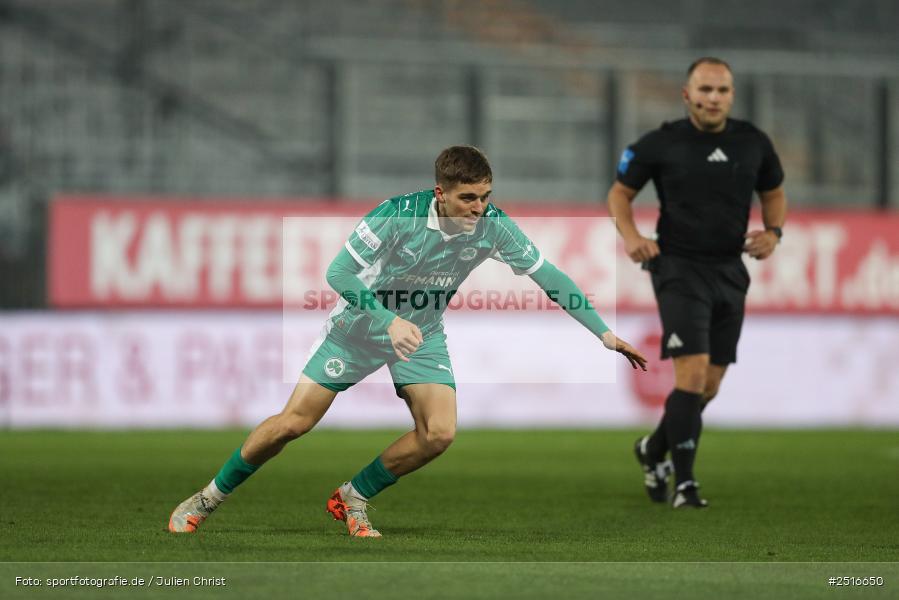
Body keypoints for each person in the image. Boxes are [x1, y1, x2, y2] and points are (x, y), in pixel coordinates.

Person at [169, 145, 648, 537]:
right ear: (441, 193)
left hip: (421, 333)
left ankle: (352, 497)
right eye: (468, 198)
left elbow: (550, 275)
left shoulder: (493, 226)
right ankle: (207, 498)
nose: (479, 208)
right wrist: (387, 320)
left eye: (485, 196)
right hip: (358, 329)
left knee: (439, 433)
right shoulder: (396, 215)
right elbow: (338, 273)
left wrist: (604, 333)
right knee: (293, 424)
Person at [606, 58, 787, 508]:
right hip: (678, 269)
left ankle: (653, 450)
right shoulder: (660, 143)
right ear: (687, 95)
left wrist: (774, 232)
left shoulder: (753, 142)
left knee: (708, 385)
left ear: (732, 95)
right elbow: (620, 193)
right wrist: (632, 237)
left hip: (730, 270)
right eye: (705, 89)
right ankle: (685, 484)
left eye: (722, 90)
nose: (714, 98)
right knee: (691, 373)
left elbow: (774, 192)